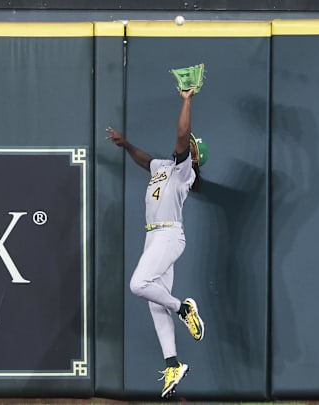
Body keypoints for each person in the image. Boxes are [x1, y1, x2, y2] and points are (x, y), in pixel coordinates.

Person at [106, 88, 208, 398]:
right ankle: (173, 364)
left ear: (194, 157)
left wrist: (187, 100)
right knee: (154, 301)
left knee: (138, 284)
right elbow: (145, 160)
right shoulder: (163, 166)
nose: (185, 145)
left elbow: (181, 134)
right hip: (154, 237)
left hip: (168, 235)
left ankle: (184, 309)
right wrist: (126, 146)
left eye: (190, 147)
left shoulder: (183, 170)